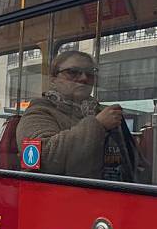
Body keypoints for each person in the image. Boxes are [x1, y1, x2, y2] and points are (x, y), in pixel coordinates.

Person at [17, 50, 144, 181]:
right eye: (72, 72)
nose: (84, 78)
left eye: (90, 73)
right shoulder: (39, 111)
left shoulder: (102, 112)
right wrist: (98, 125)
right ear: (53, 79)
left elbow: (134, 162)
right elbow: (43, 158)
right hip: (60, 194)